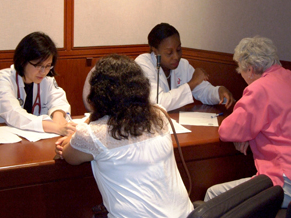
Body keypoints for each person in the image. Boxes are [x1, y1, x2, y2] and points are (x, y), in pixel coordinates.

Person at [55, 54, 194, 217]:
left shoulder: (93, 133)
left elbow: (69, 156)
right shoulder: (159, 114)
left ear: (98, 93)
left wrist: (77, 136)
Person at [204, 36, 291, 208]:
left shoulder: (259, 89)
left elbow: (227, 131)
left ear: (250, 70)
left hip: (283, 181)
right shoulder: (288, 76)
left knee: (212, 195)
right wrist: (251, 133)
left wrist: (246, 133)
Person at [0, 32, 76, 136]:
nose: (44, 71)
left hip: (32, 139)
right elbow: (14, 114)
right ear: (23, 60)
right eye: (38, 65)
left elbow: (58, 100)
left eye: (48, 66)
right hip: (0, 138)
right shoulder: (2, 79)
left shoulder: (46, 79)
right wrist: (56, 127)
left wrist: (59, 118)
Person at [135, 23, 234, 111]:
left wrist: (218, 92)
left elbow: (203, 91)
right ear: (155, 51)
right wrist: (192, 83)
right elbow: (158, 103)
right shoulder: (143, 64)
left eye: (178, 50)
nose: (176, 57)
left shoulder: (182, 65)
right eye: (169, 53)